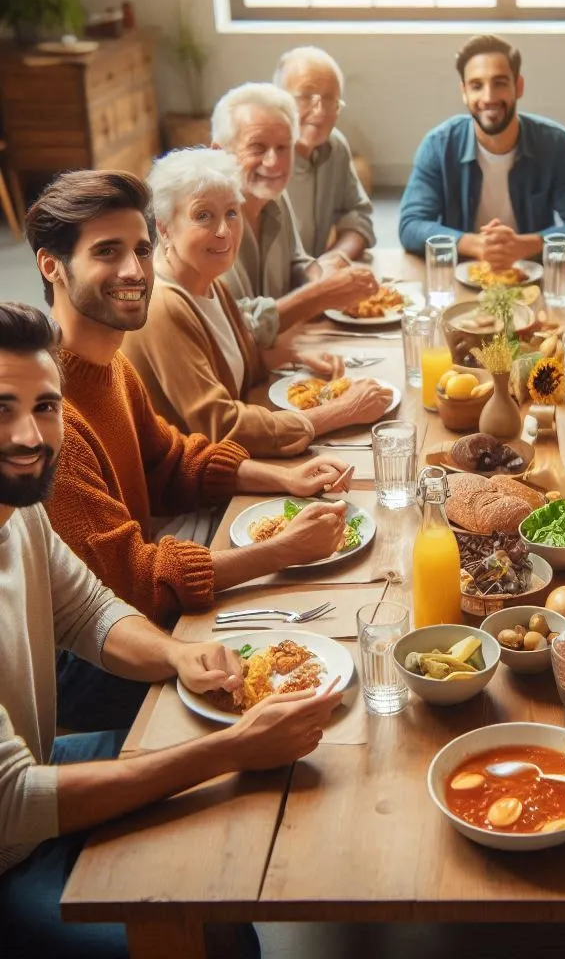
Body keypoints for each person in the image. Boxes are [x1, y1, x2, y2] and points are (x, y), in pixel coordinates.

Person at [0, 301, 341, 958]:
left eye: (45, 408)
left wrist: (179, 654)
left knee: (248, 812)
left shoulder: (21, 512)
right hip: (9, 846)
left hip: (36, 769)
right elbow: (14, 803)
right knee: (217, 933)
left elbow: (88, 612)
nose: (29, 436)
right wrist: (229, 750)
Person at [25, 169, 356, 729]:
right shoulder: (49, 416)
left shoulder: (112, 366)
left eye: (141, 250)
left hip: (148, 607)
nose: (134, 271)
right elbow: (131, 581)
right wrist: (277, 552)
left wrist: (286, 480)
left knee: (327, 640)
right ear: (50, 265)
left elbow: (171, 461)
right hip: (85, 668)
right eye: (107, 252)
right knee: (320, 674)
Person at [122, 148, 394, 457]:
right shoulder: (164, 305)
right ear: (164, 227)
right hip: (200, 496)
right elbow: (223, 428)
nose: (224, 231)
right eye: (203, 216)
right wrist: (342, 410)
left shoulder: (209, 283)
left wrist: (287, 357)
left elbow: (229, 368)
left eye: (231, 213)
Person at [398, 34, 565, 265]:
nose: (488, 97)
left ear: (519, 86)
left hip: (532, 277)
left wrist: (526, 244)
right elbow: (411, 225)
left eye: (500, 83)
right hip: (462, 276)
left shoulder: (555, 143)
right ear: (464, 92)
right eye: (477, 86)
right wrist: (473, 244)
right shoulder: (438, 145)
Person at [210, 82, 379, 347]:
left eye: (283, 148)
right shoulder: (205, 221)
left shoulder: (274, 193)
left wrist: (319, 271)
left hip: (279, 355)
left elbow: (295, 262)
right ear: (219, 153)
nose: (273, 163)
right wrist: (320, 293)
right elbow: (233, 329)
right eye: (257, 147)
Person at [273, 45, 375, 260]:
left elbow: (359, 215)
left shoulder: (335, 145)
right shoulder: (262, 160)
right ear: (278, 101)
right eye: (306, 96)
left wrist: (334, 260)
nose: (319, 111)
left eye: (330, 99)